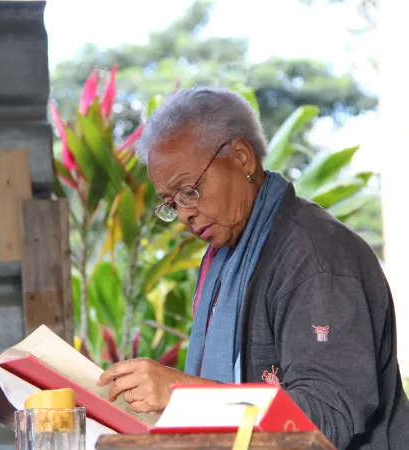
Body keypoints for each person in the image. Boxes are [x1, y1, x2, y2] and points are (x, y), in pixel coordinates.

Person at [97, 86, 409, 449]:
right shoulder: (227, 256)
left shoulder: (317, 257)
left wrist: (182, 394)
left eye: (189, 191)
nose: (184, 213)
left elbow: (326, 420)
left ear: (242, 157)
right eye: (171, 203)